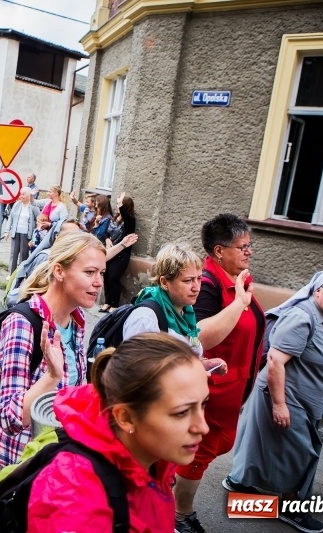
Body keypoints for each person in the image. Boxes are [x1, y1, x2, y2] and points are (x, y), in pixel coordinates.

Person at [26, 333, 211, 532]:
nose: (203, 427)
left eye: (203, 404)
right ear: (126, 418)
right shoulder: (76, 505)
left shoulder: (154, 459)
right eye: (182, 412)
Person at [224, 271, 323, 533]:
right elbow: (275, 361)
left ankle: (238, 481)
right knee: (301, 453)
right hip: (284, 395)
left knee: (263, 444)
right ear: (317, 291)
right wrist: (279, 405)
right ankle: (292, 509)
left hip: (301, 396)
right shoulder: (301, 317)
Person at [0, 231, 106, 487]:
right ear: (59, 271)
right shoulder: (22, 324)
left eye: (101, 273)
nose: (99, 282)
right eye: (90, 272)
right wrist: (51, 377)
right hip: (14, 469)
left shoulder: (75, 320)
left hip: (51, 466)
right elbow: (9, 419)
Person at [173, 213, 265, 533]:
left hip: (230, 389)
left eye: (249, 245)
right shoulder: (209, 285)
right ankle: (181, 516)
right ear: (219, 252)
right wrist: (239, 304)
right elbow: (196, 335)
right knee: (196, 456)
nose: (249, 252)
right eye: (242, 247)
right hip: (210, 392)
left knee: (200, 452)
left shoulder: (237, 280)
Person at [124, 243, 227, 372]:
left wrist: (203, 365)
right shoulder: (146, 317)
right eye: (188, 280)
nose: (197, 287)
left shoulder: (187, 312)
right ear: (164, 282)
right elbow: (135, 372)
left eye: (199, 279)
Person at [100, 192, 137, 312]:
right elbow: (106, 231)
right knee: (106, 277)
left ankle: (114, 305)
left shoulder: (130, 220)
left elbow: (126, 217)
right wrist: (106, 239)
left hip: (121, 255)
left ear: (125, 207)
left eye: (120, 205)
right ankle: (107, 302)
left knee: (113, 278)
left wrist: (120, 204)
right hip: (110, 251)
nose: (117, 207)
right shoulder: (115, 218)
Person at [3, 188, 40, 273]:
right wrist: (6, 231)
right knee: (13, 254)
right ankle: (11, 274)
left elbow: (39, 222)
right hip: (15, 233)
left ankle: (21, 273)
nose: (21, 196)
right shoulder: (17, 205)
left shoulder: (34, 207)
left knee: (24, 254)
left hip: (27, 235)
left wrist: (34, 238)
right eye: (20, 194)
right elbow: (10, 218)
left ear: (28, 196)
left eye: (23, 194)